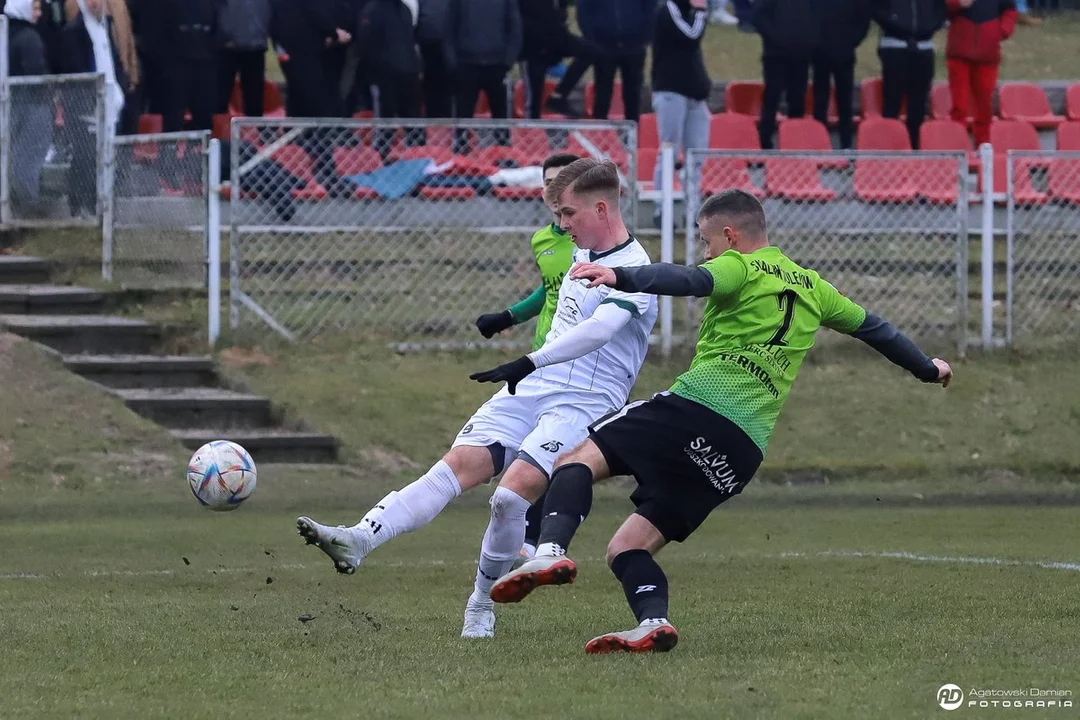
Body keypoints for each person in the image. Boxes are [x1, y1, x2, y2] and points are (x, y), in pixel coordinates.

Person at [489, 189, 954, 654]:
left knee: (576, 460)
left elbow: (688, 279)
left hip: (697, 407)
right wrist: (927, 368)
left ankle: (548, 551)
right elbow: (875, 328)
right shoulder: (815, 287)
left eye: (706, 241)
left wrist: (620, 274)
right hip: (743, 450)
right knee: (628, 547)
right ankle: (653, 622)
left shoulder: (741, 265)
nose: (705, 252)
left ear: (729, 236)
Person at [294, 159, 659, 641]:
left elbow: (599, 331)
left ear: (601, 208)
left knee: (510, 495)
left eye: (569, 213)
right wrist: (516, 331)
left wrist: (529, 360)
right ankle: (361, 538)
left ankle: (481, 604)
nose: (562, 223)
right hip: (537, 383)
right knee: (457, 464)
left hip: (584, 400)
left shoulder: (636, 270)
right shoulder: (580, 251)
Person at [473, 151, 580, 566]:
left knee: (558, 455)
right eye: (549, 183)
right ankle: (529, 543)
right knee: (535, 453)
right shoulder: (543, 240)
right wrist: (508, 317)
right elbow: (549, 290)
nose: (555, 191)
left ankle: (541, 543)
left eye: (564, 182)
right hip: (542, 356)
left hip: (580, 361)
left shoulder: (592, 240)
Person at [650, 0, 711, 228]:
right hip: (671, 91)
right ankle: (661, 209)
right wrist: (701, 11)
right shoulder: (668, 9)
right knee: (669, 151)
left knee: (696, 154)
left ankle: (693, 211)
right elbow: (691, 34)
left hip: (695, 93)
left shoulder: (688, 12)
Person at [872, 0, 947, 149]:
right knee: (892, 102)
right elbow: (875, 7)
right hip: (894, 46)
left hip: (924, 47)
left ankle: (915, 148)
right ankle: (889, 148)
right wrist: (893, 21)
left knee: (918, 105)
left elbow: (940, 9)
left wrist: (929, 25)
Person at [945, 0, 1016, 148]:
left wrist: (1002, 30)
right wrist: (958, 4)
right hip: (959, 54)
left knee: (984, 105)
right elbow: (941, 8)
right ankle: (957, 146)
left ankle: (983, 146)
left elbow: (1010, 10)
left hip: (987, 56)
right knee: (959, 105)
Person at [4, 0, 52, 216]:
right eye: (35, 8)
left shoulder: (5, 34)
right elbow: (36, 71)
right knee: (29, 159)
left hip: (11, 105)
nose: (39, 13)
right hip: (34, 105)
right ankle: (29, 208)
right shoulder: (29, 38)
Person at [752, 0, 819, 149]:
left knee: (797, 100)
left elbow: (817, 15)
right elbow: (758, 16)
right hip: (775, 55)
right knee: (771, 98)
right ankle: (765, 143)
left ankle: (795, 143)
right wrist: (777, 38)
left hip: (801, 55)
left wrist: (810, 41)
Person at [575, 0, 654, 123]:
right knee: (602, 93)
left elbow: (651, 8)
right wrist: (591, 38)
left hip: (634, 45)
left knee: (633, 94)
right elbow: (583, 9)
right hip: (603, 45)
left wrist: (645, 38)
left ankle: (633, 130)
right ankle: (599, 129)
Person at [812, 0, 871, 149]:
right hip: (819, 54)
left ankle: (846, 145)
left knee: (845, 103)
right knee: (820, 102)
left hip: (844, 54)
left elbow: (864, 18)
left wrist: (851, 41)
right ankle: (819, 144)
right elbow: (807, 15)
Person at [217, 0, 272, 117]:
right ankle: (218, 126)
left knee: (254, 98)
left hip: (256, 48)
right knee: (220, 97)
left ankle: (254, 126)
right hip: (227, 48)